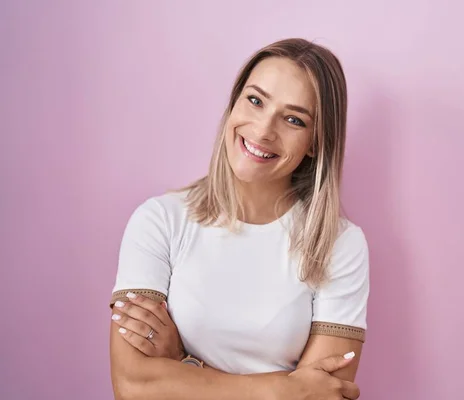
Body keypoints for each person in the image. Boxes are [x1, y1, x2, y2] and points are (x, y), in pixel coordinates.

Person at [108, 38, 370, 400]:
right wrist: (281, 390)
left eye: (294, 119)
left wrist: (182, 365)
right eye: (255, 100)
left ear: (315, 141)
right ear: (233, 104)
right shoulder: (159, 222)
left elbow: (324, 395)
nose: (263, 130)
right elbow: (132, 386)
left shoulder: (340, 244)